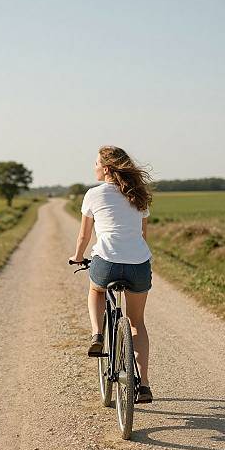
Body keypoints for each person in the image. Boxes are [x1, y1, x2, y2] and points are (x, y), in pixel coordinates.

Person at [68, 145, 154, 403]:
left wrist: (78, 257)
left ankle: (97, 334)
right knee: (137, 322)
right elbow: (142, 236)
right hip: (139, 263)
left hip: (107, 262)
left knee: (96, 290)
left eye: (95, 163)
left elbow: (84, 235)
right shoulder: (138, 195)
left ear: (105, 169)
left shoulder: (93, 195)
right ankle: (145, 384)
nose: (93, 167)